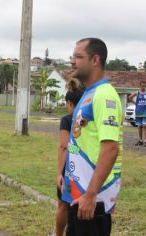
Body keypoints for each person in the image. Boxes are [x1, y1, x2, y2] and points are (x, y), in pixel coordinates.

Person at [61, 38, 123, 236]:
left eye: (78, 57)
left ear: (95, 60)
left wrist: (91, 194)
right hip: (79, 195)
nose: (72, 61)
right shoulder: (89, 93)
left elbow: (111, 148)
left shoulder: (104, 95)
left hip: (91, 201)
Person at [56, 79, 84, 236]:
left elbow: (64, 147)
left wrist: (59, 173)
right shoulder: (89, 120)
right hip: (87, 169)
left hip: (70, 170)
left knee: (63, 205)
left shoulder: (67, 120)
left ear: (70, 103)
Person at [128, 81, 146, 147]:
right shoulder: (137, 92)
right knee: (139, 126)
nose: (143, 87)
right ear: (140, 86)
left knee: (145, 126)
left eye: (145, 86)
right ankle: (140, 140)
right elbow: (130, 97)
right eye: (142, 86)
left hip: (145, 111)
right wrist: (135, 103)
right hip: (138, 111)